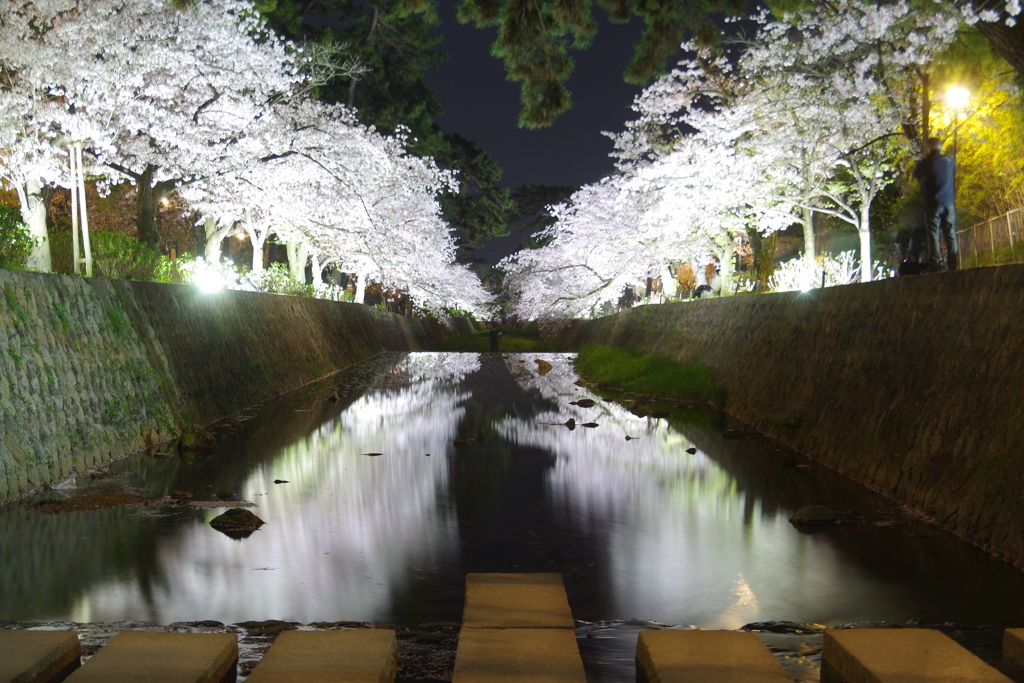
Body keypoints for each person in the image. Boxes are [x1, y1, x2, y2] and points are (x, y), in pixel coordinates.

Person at [913, 136, 958, 271]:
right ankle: (953, 263)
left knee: (933, 233)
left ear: (928, 147)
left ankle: (936, 263)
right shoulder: (950, 161)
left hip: (932, 202)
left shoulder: (924, 163)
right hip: (949, 202)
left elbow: (917, 176)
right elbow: (954, 173)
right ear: (941, 147)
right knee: (950, 232)